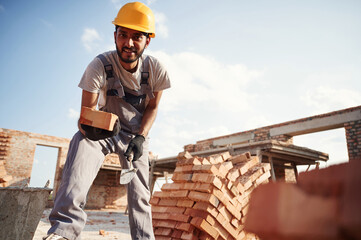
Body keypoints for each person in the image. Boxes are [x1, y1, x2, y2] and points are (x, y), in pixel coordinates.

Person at [43, 2, 170, 240]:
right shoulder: (99, 66)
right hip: (103, 130)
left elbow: (153, 107)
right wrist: (89, 129)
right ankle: (63, 231)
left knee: (140, 194)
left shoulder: (155, 70)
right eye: (123, 35)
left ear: (147, 41)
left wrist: (141, 137)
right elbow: (86, 113)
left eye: (136, 37)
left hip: (136, 135)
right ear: (115, 36)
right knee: (80, 148)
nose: (129, 43)